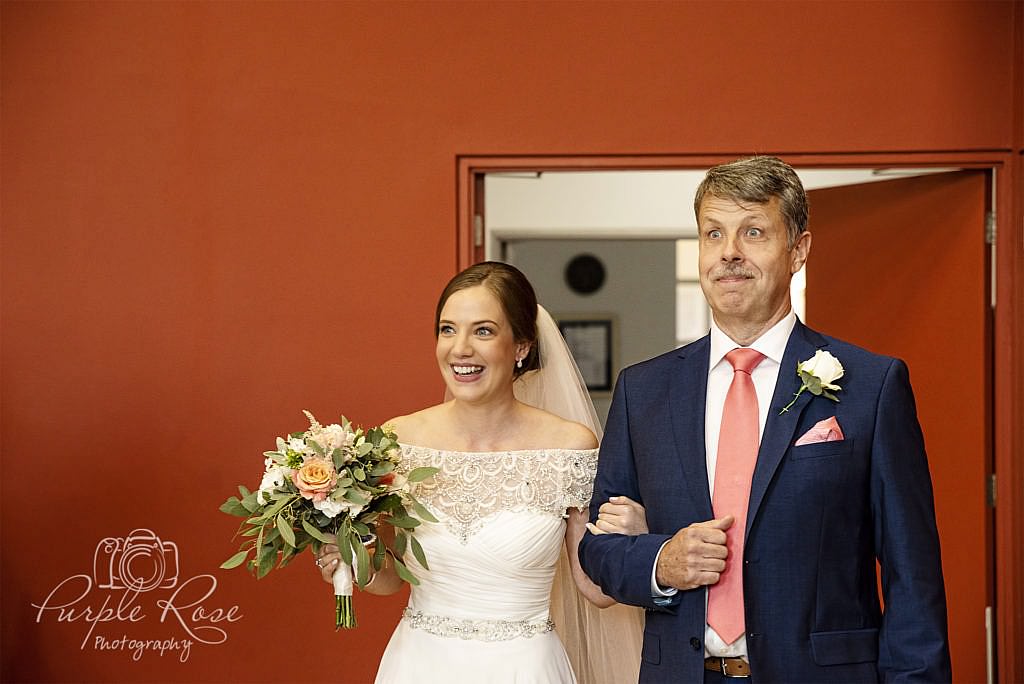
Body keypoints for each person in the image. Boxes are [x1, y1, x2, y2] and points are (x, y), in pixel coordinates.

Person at [578, 156, 951, 683]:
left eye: (753, 232)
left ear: (798, 250)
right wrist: (660, 562)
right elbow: (599, 549)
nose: (729, 253)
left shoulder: (872, 386)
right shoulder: (644, 391)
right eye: (714, 234)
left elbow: (912, 575)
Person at [316, 261, 647, 683]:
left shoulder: (569, 445)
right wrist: (352, 558)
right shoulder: (397, 440)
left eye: (484, 331)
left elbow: (595, 590)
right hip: (418, 665)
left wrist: (635, 541)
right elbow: (389, 580)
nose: (460, 349)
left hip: (524, 669)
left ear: (522, 346)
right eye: (448, 329)